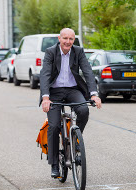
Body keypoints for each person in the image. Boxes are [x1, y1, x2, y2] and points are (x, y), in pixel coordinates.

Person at [40, 28, 101, 178]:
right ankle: (54, 163)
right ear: (59, 38)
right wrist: (45, 97)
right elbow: (45, 73)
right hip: (54, 92)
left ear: (74, 40)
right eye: (65, 38)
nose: (68, 42)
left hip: (73, 90)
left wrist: (94, 94)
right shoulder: (50, 52)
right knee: (53, 126)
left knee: (83, 110)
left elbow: (87, 71)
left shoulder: (78, 51)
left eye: (71, 39)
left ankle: (75, 139)